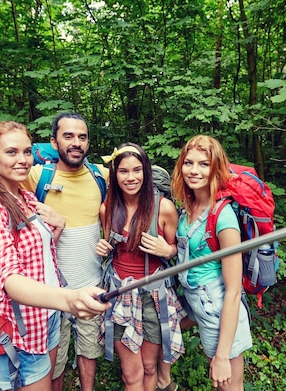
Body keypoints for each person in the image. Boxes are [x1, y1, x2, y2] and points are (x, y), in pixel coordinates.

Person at [0, 120, 110, 391]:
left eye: (26, 152)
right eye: (11, 152)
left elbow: (40, 252)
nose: (22, 160)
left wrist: (59, 225)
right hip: (19, 330)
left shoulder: (25, 197)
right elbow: (9, 278)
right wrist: (69, 299)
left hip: (47, 317)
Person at [18, 112, 108, 391]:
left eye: (82, 137)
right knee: (53, 359)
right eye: (68, 136)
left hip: (91, 283)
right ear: (54, 142)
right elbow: (0, 196)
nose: (76, 142)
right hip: (50, 290)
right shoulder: (35, 176)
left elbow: (132, 200)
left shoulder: (100, 176)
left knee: (89, 350)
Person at [95, 143, 185, 391]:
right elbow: (111, 245)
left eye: (137, 170)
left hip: (154, 295)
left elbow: (178, 249)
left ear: (145, 172)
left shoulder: (163, 208)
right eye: (123, 171)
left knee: (148, 366)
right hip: (120, 295)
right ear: (115, 174)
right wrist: (103, 248)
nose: (131, 177)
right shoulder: (108, 208)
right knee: (130, 374)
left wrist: (168, 250)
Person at [171, 135, 253, 391]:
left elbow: (233, 291)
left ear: (215, 168)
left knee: (228, 387)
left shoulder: (223, 217)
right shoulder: (189, 206)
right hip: (197, 303)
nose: (194, 171)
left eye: (203, 164)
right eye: (189, 162)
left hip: (220, 311)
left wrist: (222, 356)